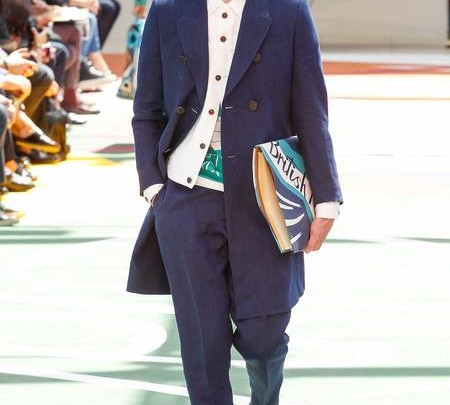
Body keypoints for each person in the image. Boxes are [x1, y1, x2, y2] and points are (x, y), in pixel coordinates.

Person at [128, 0, 343, 404]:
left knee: (265, 330)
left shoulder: (289, 10)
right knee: (202, 338)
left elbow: (311, 111)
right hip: (185, 195)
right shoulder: (168, 9)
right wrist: (153, 185)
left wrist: (327, 198)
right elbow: (147, 106)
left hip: (265, 196)